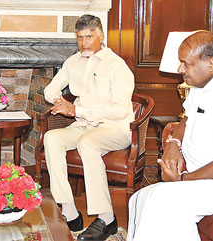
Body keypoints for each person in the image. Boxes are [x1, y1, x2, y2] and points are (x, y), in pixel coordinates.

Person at [127, 31, 213, 241]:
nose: (180, 69)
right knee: (139, 198)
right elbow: (187, 119)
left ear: (211, 63)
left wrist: (182, 180)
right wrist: (173, 144)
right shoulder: (204, 83)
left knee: (163, 200)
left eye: (186, 64)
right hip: (209, 180)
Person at [42, 14, 134, 240]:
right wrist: (60, 103)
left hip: (114, 128)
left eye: (89, 37)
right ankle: (70, 213)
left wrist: (76, 110)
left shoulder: (117, 66)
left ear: (101, 35)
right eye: (80, 37)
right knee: (52, 138)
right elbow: (50, 90)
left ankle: (107, 218)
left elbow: (120, 110)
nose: (84, 42)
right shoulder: (72, 62)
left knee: (88, 143)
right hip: (84, 125)